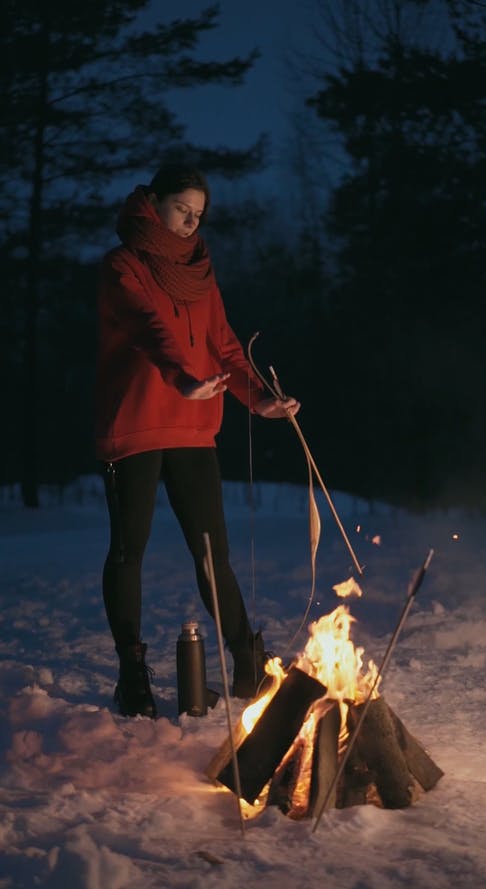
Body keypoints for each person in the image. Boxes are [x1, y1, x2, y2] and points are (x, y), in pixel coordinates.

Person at [95, 163, 300, 718]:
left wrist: (257, 398)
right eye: (182, 210)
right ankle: (132, 673)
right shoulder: (123, 265)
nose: (190, 223)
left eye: (199, 216)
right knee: (127, 551)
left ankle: (246, 658)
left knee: (214, 555)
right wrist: (181, 376)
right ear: (153, 201)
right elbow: (147, 327)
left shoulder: (200, 272)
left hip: (195, 429)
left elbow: (227, 348)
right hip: (136, 424)